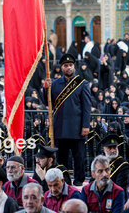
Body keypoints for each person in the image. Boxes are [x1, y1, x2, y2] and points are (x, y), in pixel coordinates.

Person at [43, 53, 91, 186]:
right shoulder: (55, 84)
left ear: (73, 67)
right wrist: (45, 89)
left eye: (70, 65)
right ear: (62, 68)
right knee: (61, 158)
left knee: (79, 157)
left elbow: (87, 106)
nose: (68, 67)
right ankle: (63, 180)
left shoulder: (82, 83)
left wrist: (85, 125)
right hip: (60, 127)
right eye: (65, 65)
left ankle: (79, 181)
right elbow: (48, 102)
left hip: (77, 127)